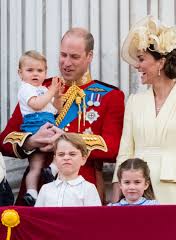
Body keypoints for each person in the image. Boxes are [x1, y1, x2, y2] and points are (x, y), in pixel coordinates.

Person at [0, 27, 125, 205]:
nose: (66, 63)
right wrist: (31, 141)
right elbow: (5, 140)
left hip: (82, 193)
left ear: (89, 57)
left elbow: (113, 148)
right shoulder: (40, 88)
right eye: (63, 55)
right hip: (36, 194)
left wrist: (64, 141)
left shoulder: (110, 96)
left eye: (74, 57)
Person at [111, 15, 176, 204]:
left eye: (141, 59)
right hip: (133, 190)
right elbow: (125, 151)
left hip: (172, 188)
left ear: (160, 63)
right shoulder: (134, 101)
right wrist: (115, 196)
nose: (137, 66)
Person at [17, 50, 63, 206]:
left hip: (45, 122)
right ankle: (53, 169)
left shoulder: (43, 89)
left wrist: (57, 96)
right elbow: (36, 104)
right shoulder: (26, 88)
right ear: (20, 73)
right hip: (36, 125)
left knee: (35, 166)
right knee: (63, 141)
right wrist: (51, 91)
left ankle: (32, 193)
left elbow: (56, 110)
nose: (35, 74)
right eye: (30, 70)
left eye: (40, 70)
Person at [35, 133, 101, 206]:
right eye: (61, 154)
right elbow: (37, 216)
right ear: (55, 159)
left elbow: (94, 216)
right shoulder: (45, 189)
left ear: (83, 159)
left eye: (72, 154)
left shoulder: (88, 189)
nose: (66, 158)